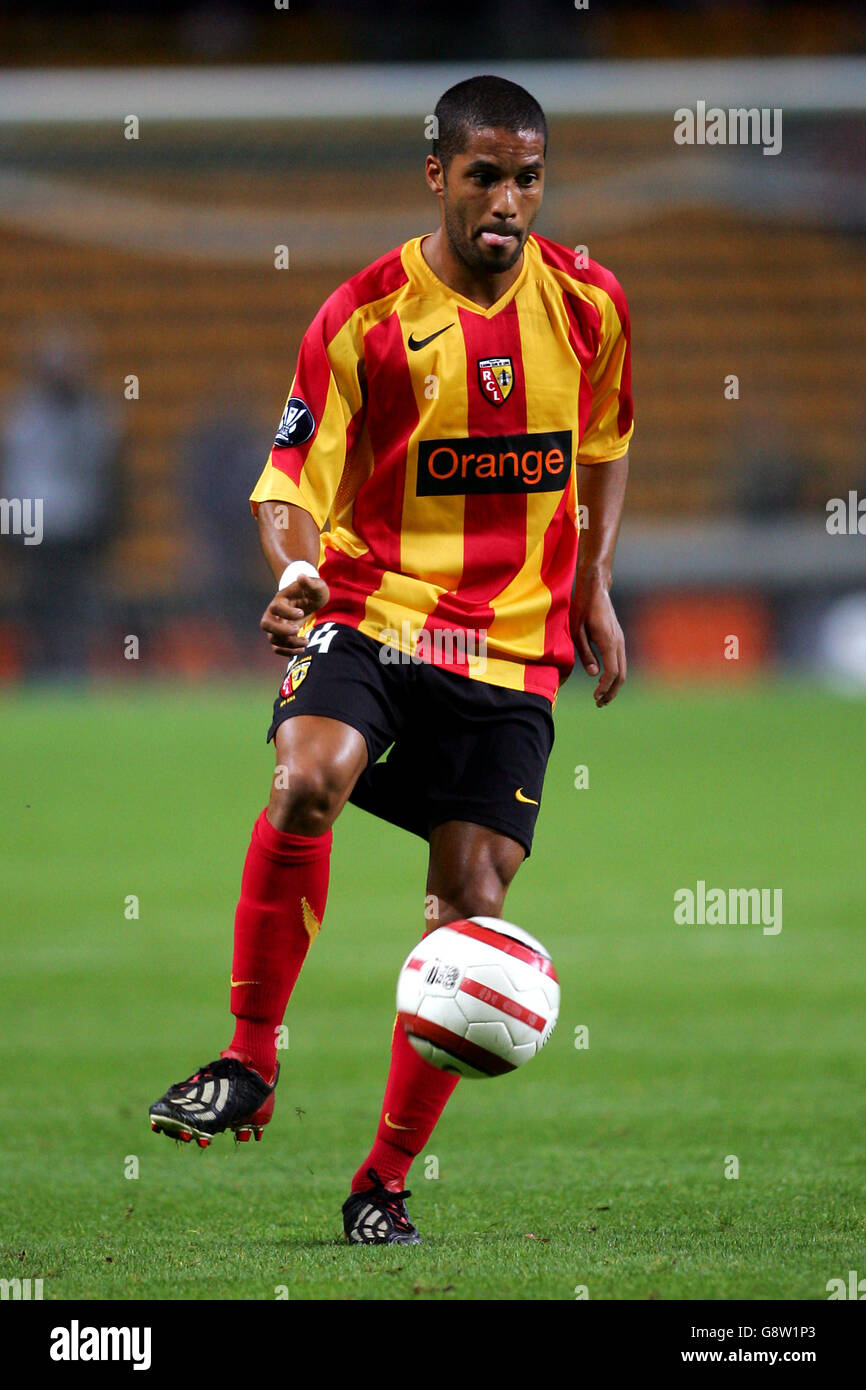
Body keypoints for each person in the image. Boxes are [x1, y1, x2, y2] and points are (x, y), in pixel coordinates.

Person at [149, 74, 633, 1245]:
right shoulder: (361, 315)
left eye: (526, 178)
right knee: (307, 774)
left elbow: (607, 442)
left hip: (512, 644)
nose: (507, 201)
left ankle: (381, 1182)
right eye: (484, 176)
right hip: (371, 607)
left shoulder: (589, 305)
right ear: (437, 175)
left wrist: (593, 583)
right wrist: (293, 575)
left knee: (467, 907)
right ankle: (249, 1056)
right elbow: (286, 484)